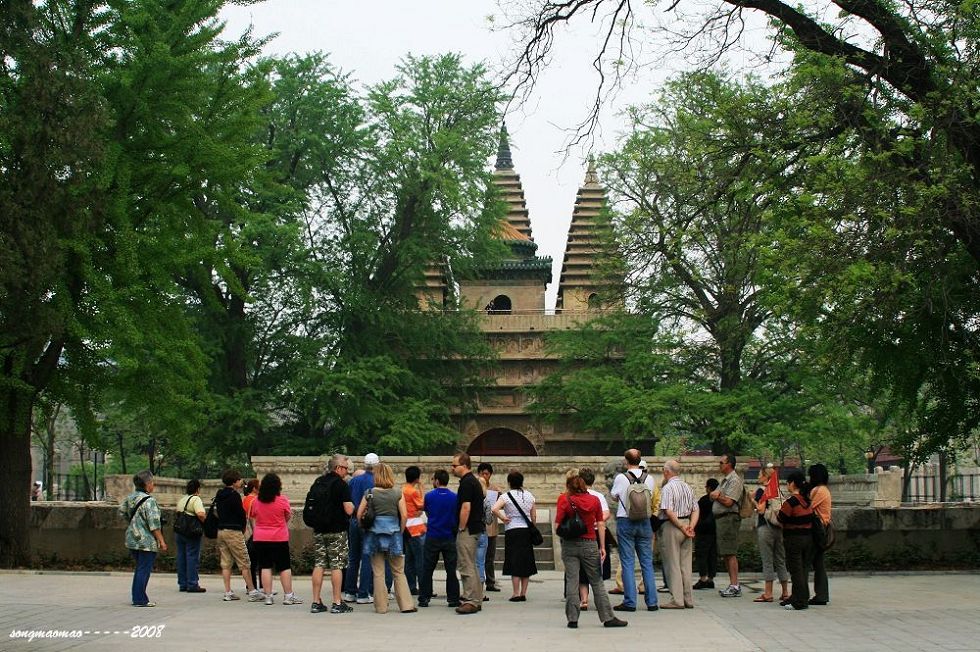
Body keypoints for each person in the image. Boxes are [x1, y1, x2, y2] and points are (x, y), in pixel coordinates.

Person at [556, 475, 628, 629]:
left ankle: (573, 619)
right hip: (590, 543)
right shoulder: (594, 500)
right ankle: (607, 617)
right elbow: (600, 524)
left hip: (569, 545)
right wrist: (602, 546)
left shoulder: (563, 500)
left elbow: (557, 525)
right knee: (596, 581)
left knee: (572, 580)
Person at [356, 462, 415, 614]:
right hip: (394, 534)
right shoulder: (397, 493)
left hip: (374, 535)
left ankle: (381, 607)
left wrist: (364, 528)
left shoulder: (369, 493)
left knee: (378, 572)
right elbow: (404, 515)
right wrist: (400, 531)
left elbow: (358, 514)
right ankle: (406, 605)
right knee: (398, 571)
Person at [609, 449, 658, 612]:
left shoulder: (621, 478)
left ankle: (630, 601)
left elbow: (614, 496)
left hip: (626, 520)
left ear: (626, 461)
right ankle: (652, 602)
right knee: (647, 563)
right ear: (640, 459)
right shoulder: (649, 478)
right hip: (645, 521)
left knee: (628, 562)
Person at [309, 454, 355, 614]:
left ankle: (316, 601)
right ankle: (337, 602)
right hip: (337, 530)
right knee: (337, 565)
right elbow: (348, 509)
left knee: (319, 564)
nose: (347, 472)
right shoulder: (341, 485)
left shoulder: (318, 482)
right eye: (345, 468)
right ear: (338, 468)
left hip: (319, 530)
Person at [344, 453, 391, 603]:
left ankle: (350, 591)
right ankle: (364, 593)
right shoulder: (377, 482)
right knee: (367, 557)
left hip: (353, 521)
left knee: (353, 557)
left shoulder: (354, 481)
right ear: (377, 464)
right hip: (369, 522)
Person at [250, 473, 301, 606]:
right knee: (284, 566)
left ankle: (268, 596)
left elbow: (253, 516)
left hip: (260, 537)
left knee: (265, 566)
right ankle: (288, 596)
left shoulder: (256, 501)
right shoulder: (282, 500)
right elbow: (287, 516)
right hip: (279, 537)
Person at [119, 470, 167, 607]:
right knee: (144, 569)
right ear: (147, 484)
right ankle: (140, 599)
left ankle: (138, 596)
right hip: (145, 540)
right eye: (152, 482)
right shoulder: (149, 501)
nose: (153, 485)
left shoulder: (131, 497)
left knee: (140, 567)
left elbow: (122, 512)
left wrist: (134, 523)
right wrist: (162, 541)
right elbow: (154, 524)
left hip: (132, 537)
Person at [215, 469, 263, 602]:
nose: (241, 481)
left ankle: (228, 591)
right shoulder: (234, 495)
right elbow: (240, 514)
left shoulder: (219, 494)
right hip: (233, 531)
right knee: (244, 561)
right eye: (239, 479)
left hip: (221, 531)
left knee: (226, 563)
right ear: (235, 481)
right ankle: (252, 591)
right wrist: (242, 527)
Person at [658, 460, 699, 610]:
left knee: (673, 564)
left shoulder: (668, 488)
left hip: (673, 526)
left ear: (667, 472)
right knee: (686, 565)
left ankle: (677, 599)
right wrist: (690, 526)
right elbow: (695, 509)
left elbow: (668, 510)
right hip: (687, 523)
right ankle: (688, 598)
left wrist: (681, 526)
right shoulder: (687, 487)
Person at [491, 470, 537, 601]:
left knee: (514, 560)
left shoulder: (506, 496)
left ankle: (515, 593)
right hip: (526, 531)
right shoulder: (530, 496)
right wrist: (532, 526)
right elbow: (533, 515)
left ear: (509, 482)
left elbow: (494, 509)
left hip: (512, 530)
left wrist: (503, 518)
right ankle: (523, 593)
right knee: (526, 561)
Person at [419, 469, 460, 608]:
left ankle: (424, 597)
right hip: (449, 536)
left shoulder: (429, 496)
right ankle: (453, 598)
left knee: (428, 568)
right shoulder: (454, 497)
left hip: (433, 535)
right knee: (451, 569)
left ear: (436, 481)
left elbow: (427, 512)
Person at [451, 452, 485, 614]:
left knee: (466, 564)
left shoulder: (467, 483)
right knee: (471, 564)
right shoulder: (473, 481)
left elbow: (466, 507)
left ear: (464, 466)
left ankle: (470, 600)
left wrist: (461, 527)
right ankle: (476, 598)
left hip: (468, 528)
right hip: (475, 527)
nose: (452, 468)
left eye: (454, 465)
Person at [753, 465, 790, 604]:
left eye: (759, 474)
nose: (758, 477)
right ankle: (785, 592)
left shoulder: (762, 491)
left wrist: (753, 502)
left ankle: (768, 593)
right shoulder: (778, 491)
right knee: (781, 559)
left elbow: (760, 509)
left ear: (765, 476)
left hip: (766, 527)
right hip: (779, 528)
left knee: (767, 560)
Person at [777, 471, 813, 610]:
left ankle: (800, 601)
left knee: (796, 571)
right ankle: (798, 596)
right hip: (808, 538)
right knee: (803, 569)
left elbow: (781, 518)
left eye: (788, 482)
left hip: (793, 539)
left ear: (792, 483)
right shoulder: (807, 501)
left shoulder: (791, 502)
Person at [710, 453, 744, 597]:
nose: (720, 465)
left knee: (730, 552)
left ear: (729, 464)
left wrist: (718, 496)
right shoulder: (724, 481)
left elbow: (730, 501)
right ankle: (732, 583)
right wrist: (716, 495)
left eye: (722, 462)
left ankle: (735, 585)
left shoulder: (734, 480)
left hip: (729, 519)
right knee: (725, 552)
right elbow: (713, 495)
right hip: (721, 519)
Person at [578, 467, 611, 610]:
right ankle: (600, 600)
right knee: (598, 569)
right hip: (596, 534)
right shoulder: (598, 496)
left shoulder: (574, 495)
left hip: (580, 534)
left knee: (582, 569)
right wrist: (595, 521)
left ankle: (584, 600)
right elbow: (606, 514)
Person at [175, 479, 207, 593]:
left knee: (181, 557)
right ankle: (192, 583)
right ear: (197, 489)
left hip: (180, 532)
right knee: (192, 557)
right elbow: (200, 513)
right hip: (191, 532)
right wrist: (205, 522)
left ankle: (182, 583)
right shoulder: (195, 499)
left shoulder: (182, 499)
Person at [808, 463, 832, 606]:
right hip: (822, 529)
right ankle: (821, 594)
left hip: (816, 530)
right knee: (818, 563)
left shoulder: (819, 491)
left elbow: (807, 507)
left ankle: (801, 593)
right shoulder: (825, 490)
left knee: (805, 563)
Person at [402, 465, 426, 596]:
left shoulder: (402, 489)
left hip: (406, 525)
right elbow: (422, 504)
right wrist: (421, 489)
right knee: (420, 558)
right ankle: (423, 586)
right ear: (417, 478)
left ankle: (410, 585)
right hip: (415, 526)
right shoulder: (413, 491)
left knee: (409, 558)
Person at [477, 462, 502, 592]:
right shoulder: (474, 487)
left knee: (490, 557)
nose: (484, 476)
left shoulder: (495, 489)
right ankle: (478, 582)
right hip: (479, 528)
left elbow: (501, 505)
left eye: (486, 473)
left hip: (491, 526)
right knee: (479, 557)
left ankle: (490, 582)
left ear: (490, 475)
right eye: (482, 473)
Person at [693, 478, 719, 590]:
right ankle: (711, 578)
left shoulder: (703, 500)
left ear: (708, 488)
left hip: (703, 532)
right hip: (715, 531)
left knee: (702, 555)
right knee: (712, 555)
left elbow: (696, 514)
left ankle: (703, 578)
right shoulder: (719, 501)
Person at [242, 478, 260, 590]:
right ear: (254, 488)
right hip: (256, 532)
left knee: (250, 562)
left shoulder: (244, 499)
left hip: (246, 532)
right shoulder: (256, 500)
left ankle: (250, 586)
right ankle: (262, 586)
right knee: (261, 561)